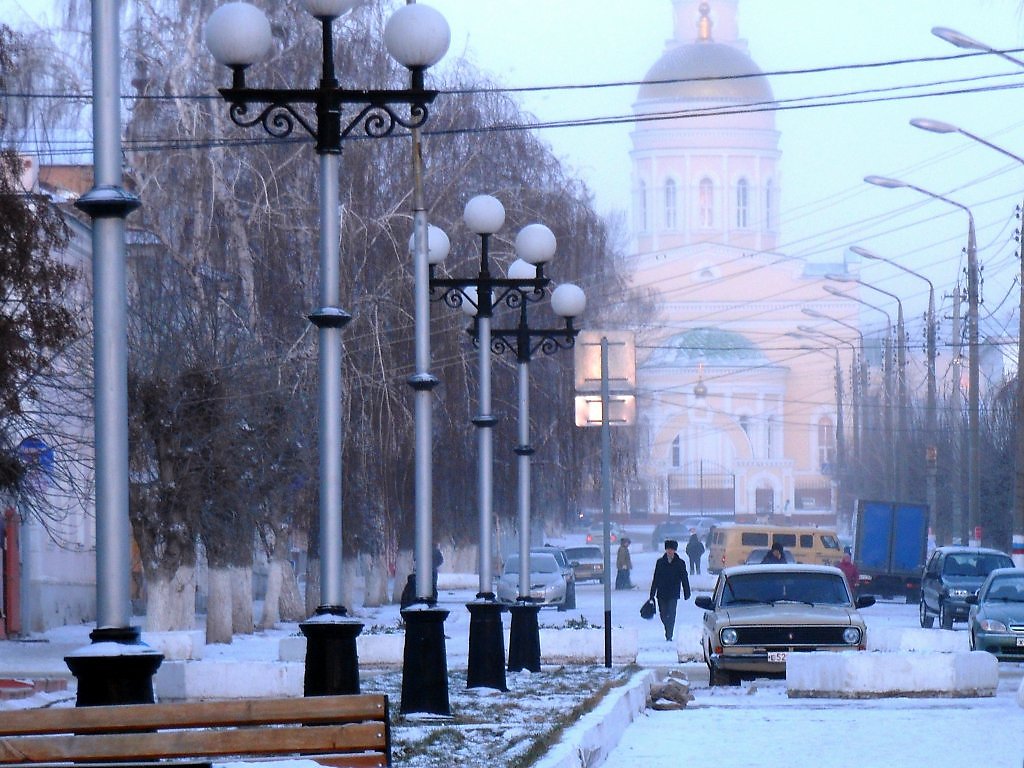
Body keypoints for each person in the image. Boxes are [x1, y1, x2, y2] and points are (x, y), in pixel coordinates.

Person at [649, 539, 691, 641]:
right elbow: (656, 578)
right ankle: (667, 628)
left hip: (673, 593)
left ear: (675, 550)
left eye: (672, 549)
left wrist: (687, 591)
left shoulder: (680, 563)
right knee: (663, 614)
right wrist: (652, 593)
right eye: (668, 549)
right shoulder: (660, 562)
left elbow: (684, 578)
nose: (670, 551)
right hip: (662, 593)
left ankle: (669, 635)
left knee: (671, 614)